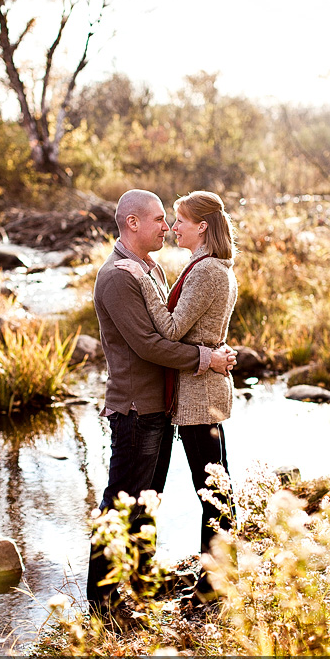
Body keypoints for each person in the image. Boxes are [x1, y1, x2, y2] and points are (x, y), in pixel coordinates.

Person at [86, 189, 236, 618]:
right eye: (157, 220)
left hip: (161, 407)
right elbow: (151, 344)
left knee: (147, 502)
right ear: (132, 223)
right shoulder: (118, 275)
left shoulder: (149, 268)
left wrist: (211, 350)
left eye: (170, 220)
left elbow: (180, 327)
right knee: (120, 504)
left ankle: (139, 585)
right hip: (134, 408)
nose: (166, 227)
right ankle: (103, 604)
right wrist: (208, 358)